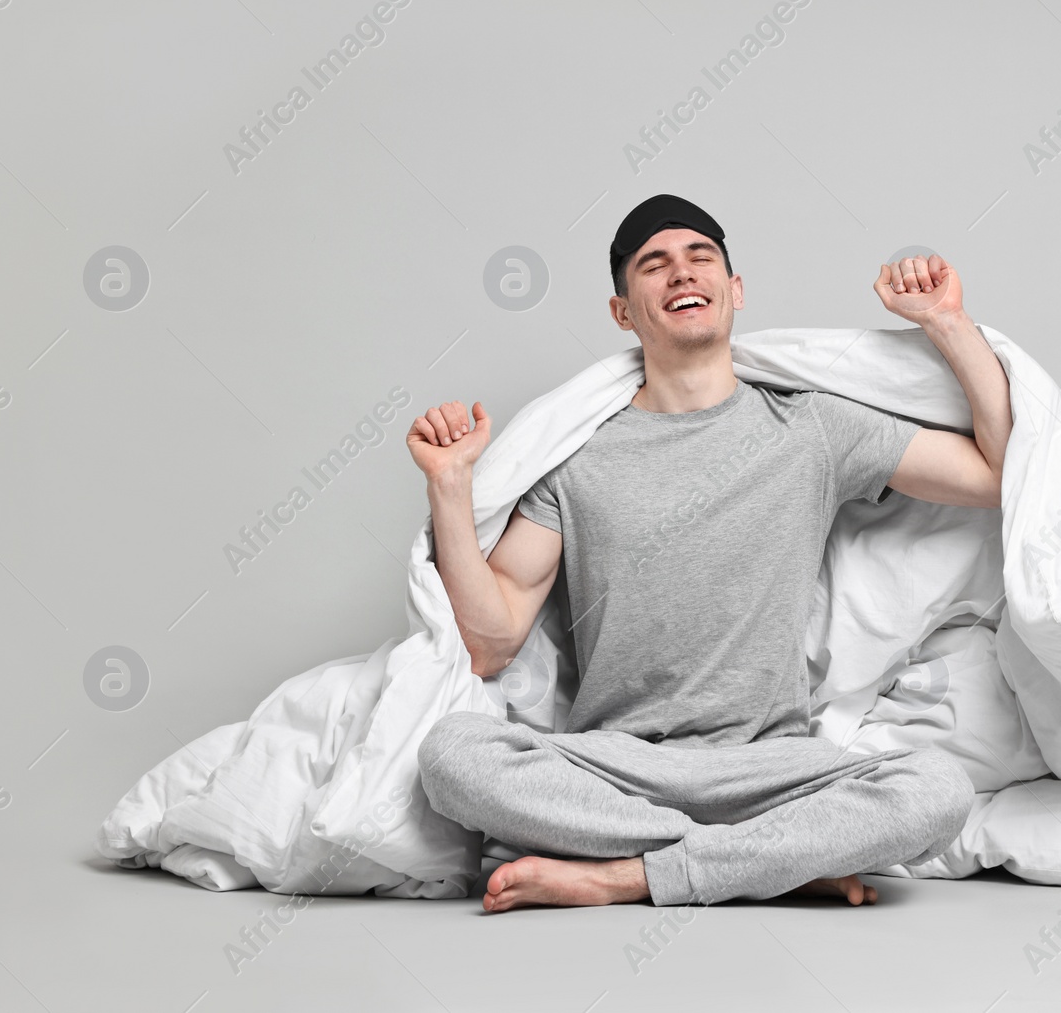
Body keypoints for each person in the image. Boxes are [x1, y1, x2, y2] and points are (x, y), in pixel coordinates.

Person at [409, 194, 1013, 912]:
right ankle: (771, 864)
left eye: (700, 257)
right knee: (452, 756)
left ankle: (626, 875)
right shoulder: (577, 459)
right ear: (622, 311)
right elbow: (490, 641)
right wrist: (449, 486)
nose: (680, 273)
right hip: (616, 767)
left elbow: (999, 474)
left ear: (735, 289)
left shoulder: (811, 426)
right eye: (653, 265)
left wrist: (947, 321)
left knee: (936, 792)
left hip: (772, 769)